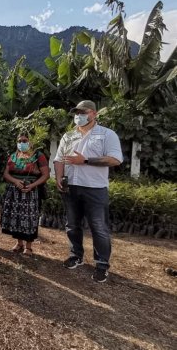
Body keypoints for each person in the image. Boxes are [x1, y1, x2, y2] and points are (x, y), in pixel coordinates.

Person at [53, 100, 123, 283]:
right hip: (71, 187)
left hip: (95, 188)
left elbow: (115, 159)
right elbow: (59, 159)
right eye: (77, 112)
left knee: (99, 227)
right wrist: (58, 177)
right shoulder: (68, 136)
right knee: (72, 224)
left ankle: (101, 264)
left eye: (83, 112)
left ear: (94, 113)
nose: (79, 115)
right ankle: (76, 255)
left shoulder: (107, 134)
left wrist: (85, 161)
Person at [0, 133, 50, 256]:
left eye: (25, 140)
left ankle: (28, 246)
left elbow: (45, 175)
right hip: (14, 191)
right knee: (16, 217)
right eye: (19, 141)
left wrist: (32, 185)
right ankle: (19, 243)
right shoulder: (13, 156)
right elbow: (6, 174)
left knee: (29, 217)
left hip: (30, 191)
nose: (22, 143)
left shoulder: (38, 156)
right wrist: (16, 181)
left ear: (30, 142)